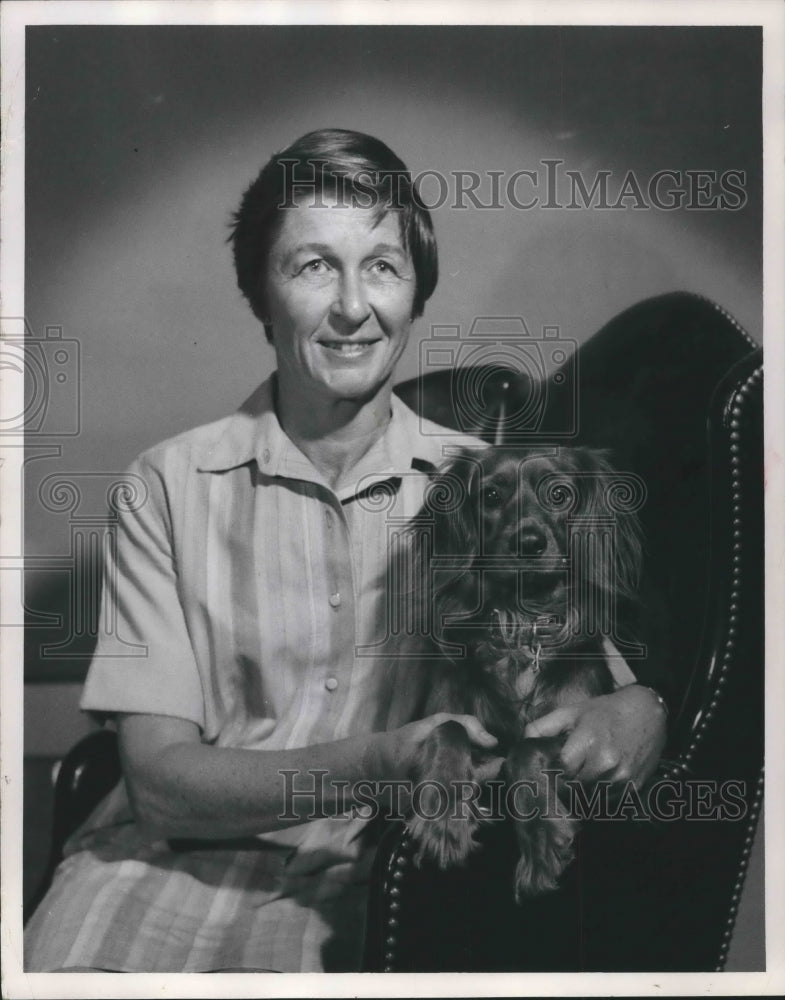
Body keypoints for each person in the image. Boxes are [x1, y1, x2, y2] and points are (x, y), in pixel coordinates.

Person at [25, 128, 667, 973]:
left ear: (415, 294)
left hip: (380, 880)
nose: (353, 307)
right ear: (261, 291)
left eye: (383, 268)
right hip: (155, 869)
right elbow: (158, 783)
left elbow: (587, 671)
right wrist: (371, 764)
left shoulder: (478, 488)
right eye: (313, 266)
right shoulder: (166, 485)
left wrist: (642, 709)